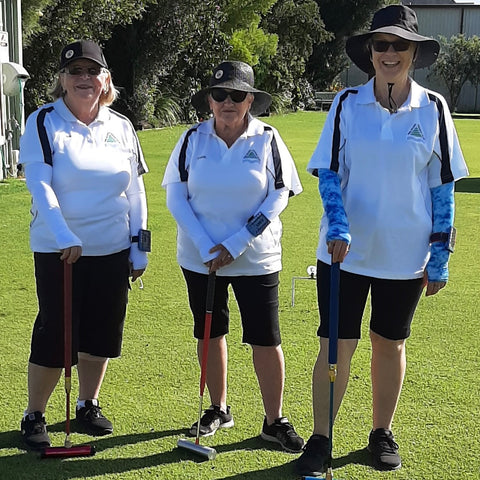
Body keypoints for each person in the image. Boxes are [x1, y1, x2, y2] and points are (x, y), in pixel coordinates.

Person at [295, 5, 469, 476]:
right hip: (343, 254)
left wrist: (440, 250)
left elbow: (443, 184)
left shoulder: (433, 107)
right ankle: (321, 438)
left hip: (405, 256)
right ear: (370, 53)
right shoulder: (346, 103)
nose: (390, 53)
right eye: (381, 44)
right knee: (336, 345)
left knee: (389, 344)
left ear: (414, 52)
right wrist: (336, 222)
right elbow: (329, 170)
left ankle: (381, 432)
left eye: (400, 45)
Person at [162, 61, 305, 452]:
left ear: (250, 101)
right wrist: (207, 244)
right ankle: (218, 408)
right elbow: (175, 195)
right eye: (220, 94)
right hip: (201, 257)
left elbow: (280, 195)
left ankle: (274, 420)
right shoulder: (192, 139)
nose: (228, 102)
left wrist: (238, 241)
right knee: (210, 332)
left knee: (266, 338)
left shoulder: (268, 139)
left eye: (237, 95)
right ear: (210, 99)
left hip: (256, 257)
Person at [19, 40, 149, 449]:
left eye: (92, 71)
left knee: (101, 333)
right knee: (55, 333)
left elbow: (136, 191)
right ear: (61, 79)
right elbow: (39, 185)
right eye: (74, 71)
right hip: (60, 250)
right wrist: (63, 235)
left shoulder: (121, 126)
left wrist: (138, 245)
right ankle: (34, 414)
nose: (84, 79)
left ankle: (88, 403)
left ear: (105, 79)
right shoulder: (42, 122)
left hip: (111, 249)